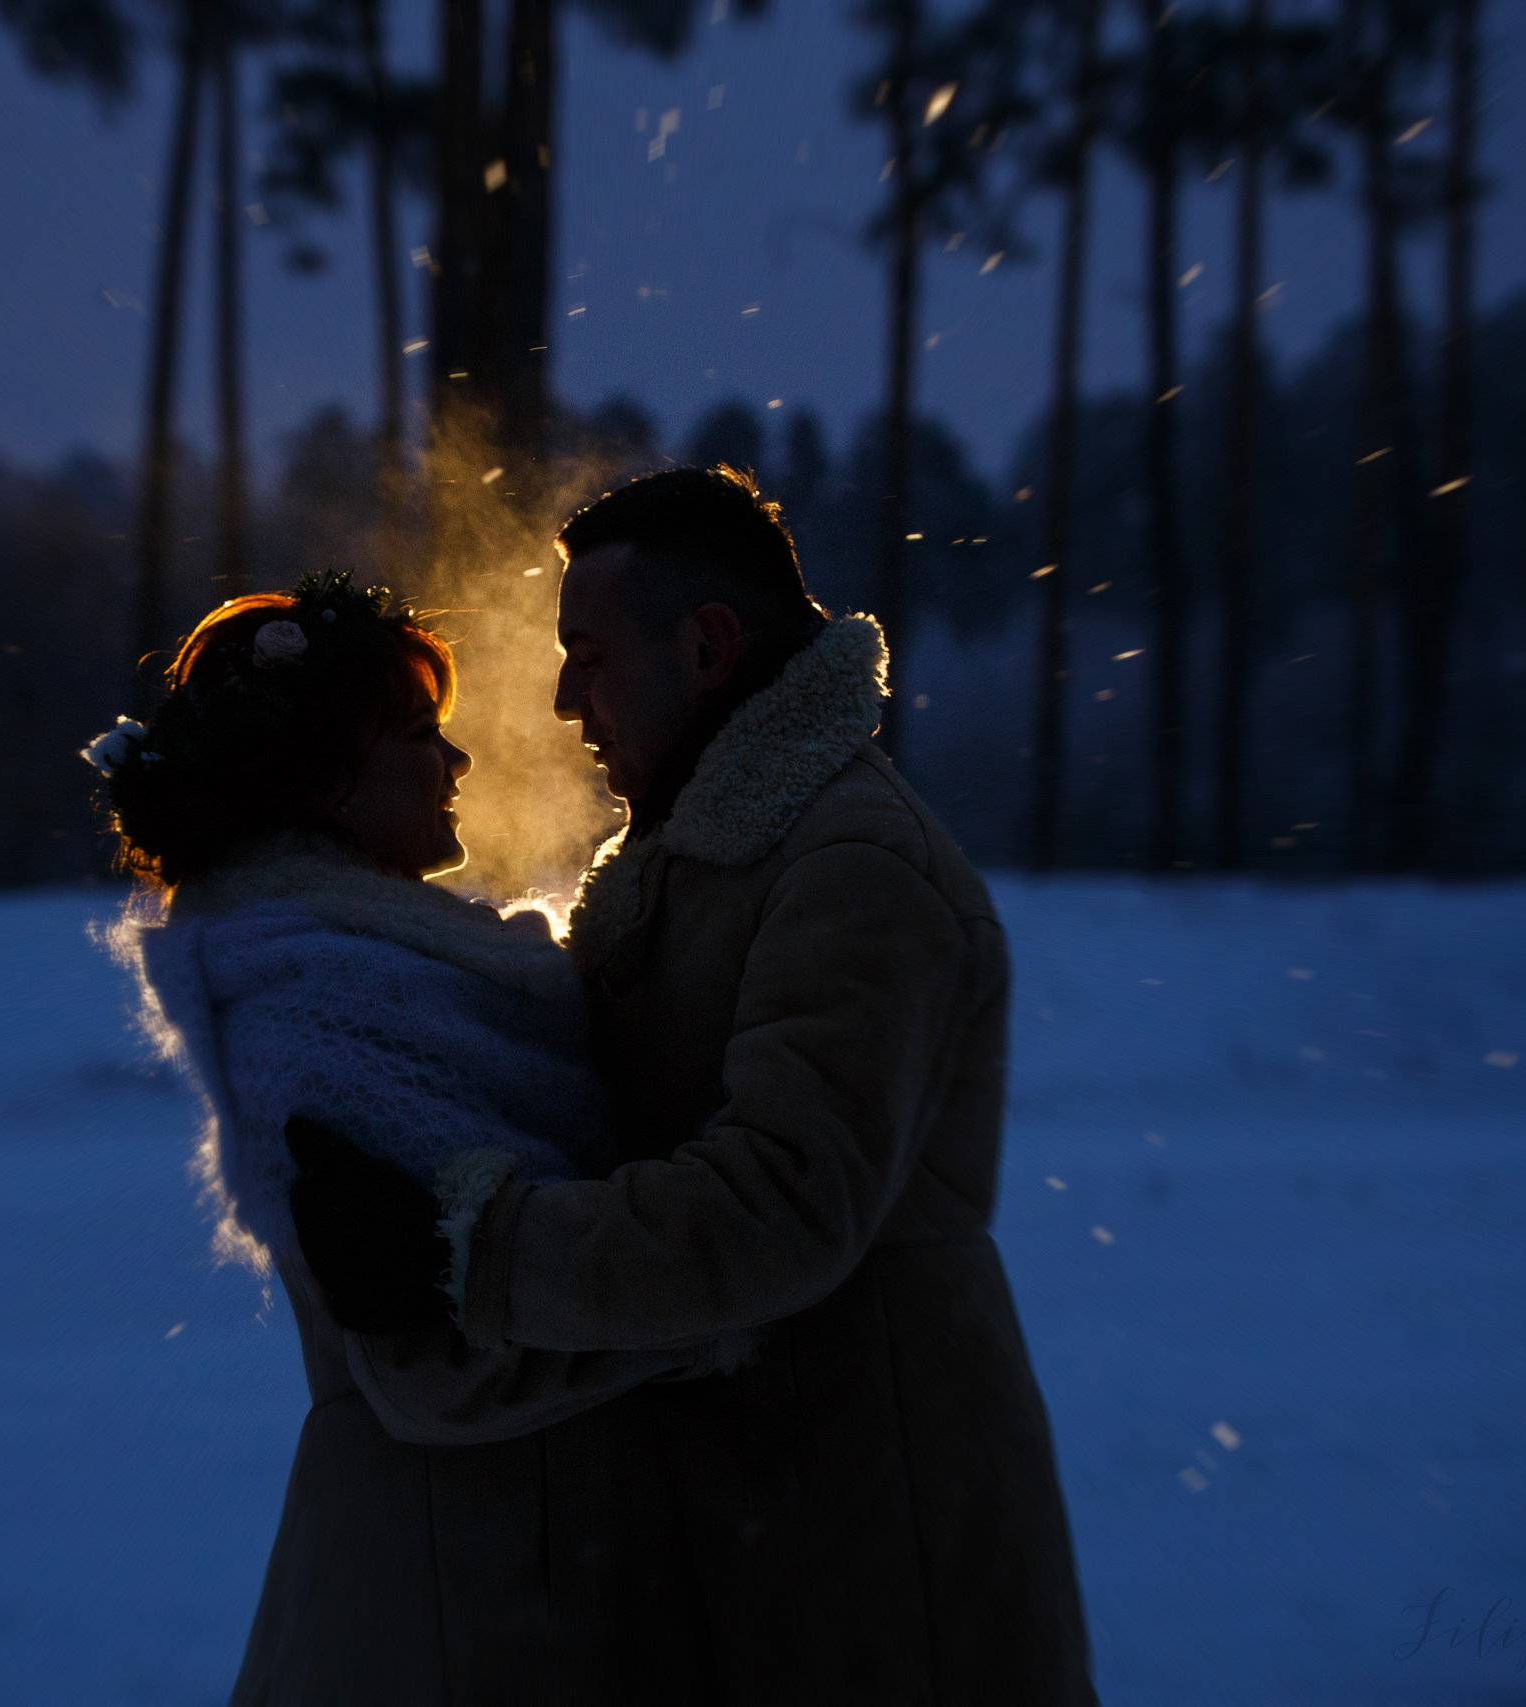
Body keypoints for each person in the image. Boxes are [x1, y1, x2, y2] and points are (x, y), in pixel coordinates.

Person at [287, 466, 1099, 1704]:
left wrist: (472, 1252)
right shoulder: (704, 859)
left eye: (590, 656)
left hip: (878, 1564)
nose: (563, 700)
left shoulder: (853, 868)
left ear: (708, 647)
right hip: (767, 1534)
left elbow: (775, 1204)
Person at [88, 571, 748, 1705]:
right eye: (416, 734)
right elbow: (438, 1362)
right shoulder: (312, 1003)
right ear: (324, 783)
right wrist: (723, 1295)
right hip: (445, 1593)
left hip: (521, 1561)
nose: (457, 764)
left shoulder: (398, 971)